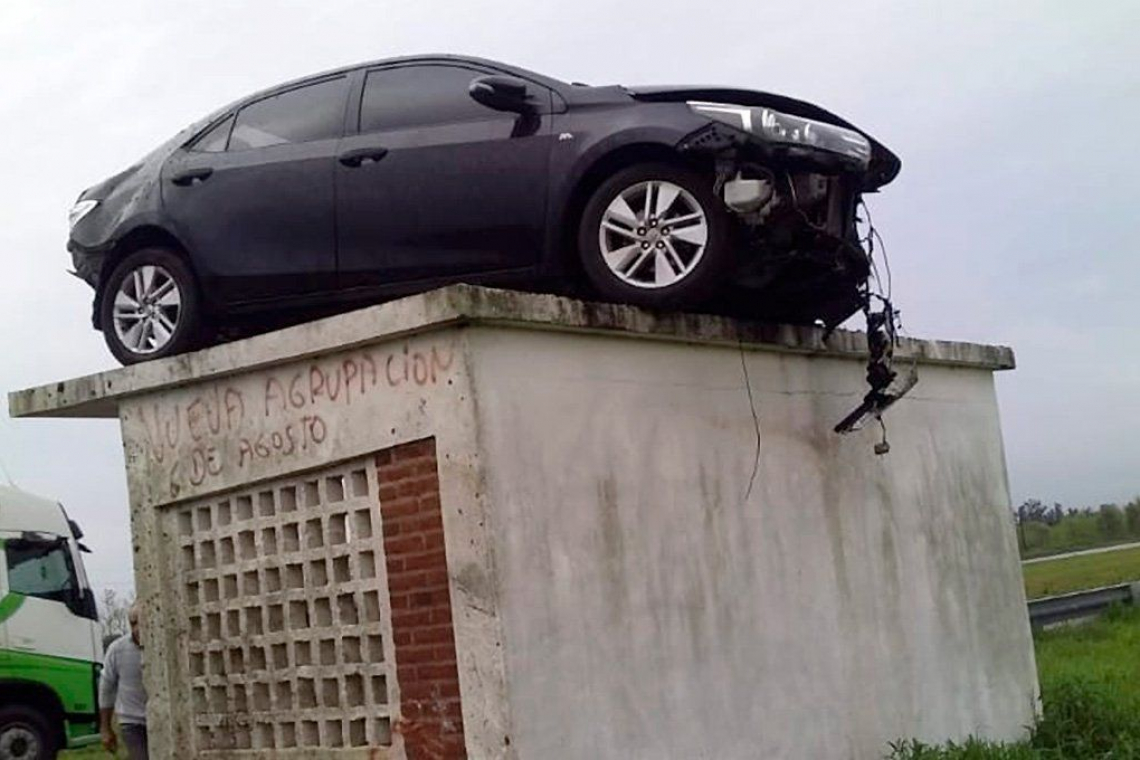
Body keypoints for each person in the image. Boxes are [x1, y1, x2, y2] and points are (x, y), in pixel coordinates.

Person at [100, 602, 149, 759]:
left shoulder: (163, 647)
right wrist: (105, 728)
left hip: (163, 718)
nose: (137, 628)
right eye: (133, 623)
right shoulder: (117, 649)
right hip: (132, 721)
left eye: (141, 622)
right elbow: (107, 688)